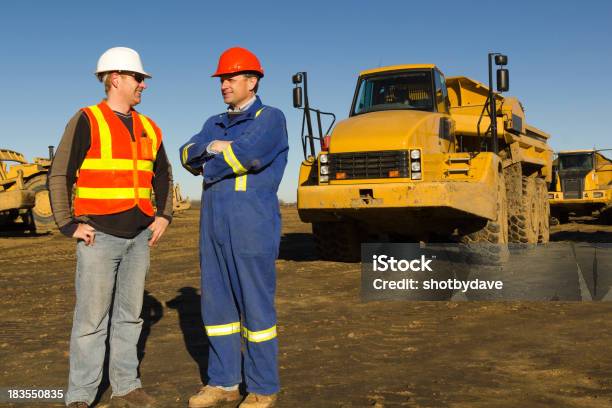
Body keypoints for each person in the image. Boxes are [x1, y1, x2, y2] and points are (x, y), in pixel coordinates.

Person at [48, 46, 173, 408]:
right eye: (138, 78)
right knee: (90, 321)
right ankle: (81, 395)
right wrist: (67, 223)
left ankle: (126, 386)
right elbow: (60, 173)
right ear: (115, 79)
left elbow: (162, 174)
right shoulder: (87, 119)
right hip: (98, 237)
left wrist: (163, 215)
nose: (143, 85)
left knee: (129, 318)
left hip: (138, 239)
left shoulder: (150, 126)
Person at [180, 47, 288, 408]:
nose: (224, 84)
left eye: (230, 78)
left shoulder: (270, 118)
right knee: (218, 310)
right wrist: (212, 148)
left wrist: (210, 161)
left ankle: (262, 388)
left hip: (251, 228)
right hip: (212, 228)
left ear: (252, 80)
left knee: (256, 310)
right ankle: (223, 382)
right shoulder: (215, 122)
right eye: (222, 79)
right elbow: (186, 153)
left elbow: (249, 154)